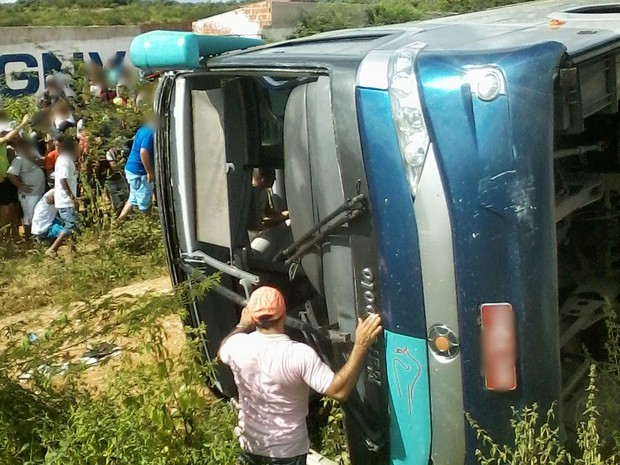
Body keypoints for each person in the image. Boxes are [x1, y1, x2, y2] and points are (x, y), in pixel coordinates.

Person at [219, 286, 383, 465]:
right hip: (288, 453)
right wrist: (360, 346)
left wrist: (242, 325)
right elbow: (339, 391)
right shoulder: (299, 355)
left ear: (252, 316)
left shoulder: (237, 346)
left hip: (251, 446)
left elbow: (222, 350)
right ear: (283, 314)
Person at [117, 116, 155, 221]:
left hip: (130, 169)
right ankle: (147, 225)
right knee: (145, 202)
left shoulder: (142, 129)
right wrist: (149, 172)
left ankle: (118, 222)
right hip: (140, 172)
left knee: (132, 198)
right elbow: (143, 152)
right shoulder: (150, 133)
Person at [7, 138, 46, 239]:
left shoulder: (34, 155)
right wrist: (22, 186)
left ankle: (35, 236)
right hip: (29, 195)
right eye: (26, 146)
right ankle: (28, 238)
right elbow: (11, 175)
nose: (29, 148)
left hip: (38, 192)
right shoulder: (18, 160)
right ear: (21, 147)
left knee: (37, 215)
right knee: (29, 217)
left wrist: (33, 158)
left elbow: (43, 163)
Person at [0, 115, 30, 238]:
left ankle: (7, 234)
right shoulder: (3, 142)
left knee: (9, 207)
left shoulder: (3, 145)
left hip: (5, 180)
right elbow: (8, 136)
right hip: (1, 180)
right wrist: (23, 123)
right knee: (5, 209)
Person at [49, 137, 79, 256]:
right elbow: (62, 180)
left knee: (73, 226)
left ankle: (72, 250)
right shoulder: (64, 160)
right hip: (65, 200)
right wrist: (71, 196)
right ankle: (53, 249)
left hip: (66, 199)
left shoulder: (66, 159)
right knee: (70, 226)